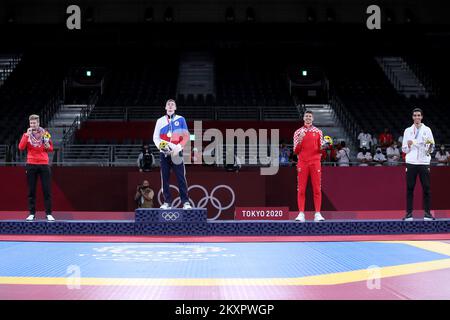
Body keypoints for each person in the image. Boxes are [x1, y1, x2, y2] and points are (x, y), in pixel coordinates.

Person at [153, 99, 192, 210]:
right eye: (168, 105)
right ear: (165, 107)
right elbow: (155, 138)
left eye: (172, 105)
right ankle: (167, 202)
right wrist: (163, 148)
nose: (170, 106)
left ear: (175, 108)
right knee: (165, 178)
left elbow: (186, 136)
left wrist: (177, 148)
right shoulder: (160, 121)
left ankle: (185, 202)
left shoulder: (181, 119)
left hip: (177, 153)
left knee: (181, 178)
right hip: (164, 154)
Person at [18, 114, 55, 221]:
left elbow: (51, 148)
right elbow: (21, 147)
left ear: (38, 123)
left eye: (34, 123)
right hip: (31, 164)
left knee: (46, 190)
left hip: (44, 164)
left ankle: (48, 213)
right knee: (31, 190)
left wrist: (48, 146)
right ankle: (31, 213)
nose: (33, 125)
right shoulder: (26, 135)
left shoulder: (45, 134)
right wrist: (26, 136)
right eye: (31, 123)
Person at [293, 110, 328, 222]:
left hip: (315, 163)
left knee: (317, 189)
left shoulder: (318, 132)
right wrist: (300, 140)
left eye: (310, 116)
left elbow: (320, 150)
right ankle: (301, 214)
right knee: (301, 189)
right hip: (302, 163)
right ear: (303, 118)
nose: (308, 118)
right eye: (306, 116)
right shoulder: (298, 132)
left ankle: (317, 213)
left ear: (312, 119)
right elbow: (296, 151)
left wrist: (324, 148)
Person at [401, 108, 435, 221]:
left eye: (419, 115)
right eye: (415, 115)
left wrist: (428, 146)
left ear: (422, 117)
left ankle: (427, 214)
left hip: (424, 162)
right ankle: (409, 214)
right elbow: (404, 149)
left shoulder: (427, 130)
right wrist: (409, 145)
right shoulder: (407, 131)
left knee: (427, 188)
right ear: (412, 117)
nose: (417, 117)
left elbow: (432, 148)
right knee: (410, 188)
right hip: (411, 162)